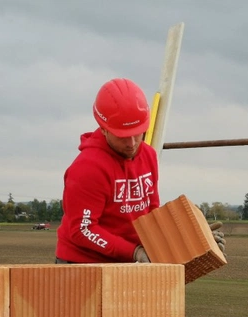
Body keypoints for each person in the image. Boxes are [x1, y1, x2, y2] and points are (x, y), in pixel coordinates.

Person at [55, 77, 225, 264]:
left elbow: (151, 217)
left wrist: (193, 237)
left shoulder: (148, 156)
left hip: (129, 261)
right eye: (123, 136)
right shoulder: (87, 168)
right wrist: (135, 253)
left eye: (137, 133)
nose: (132, 143)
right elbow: (83, 230)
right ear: (103, 129)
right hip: (83, 265)